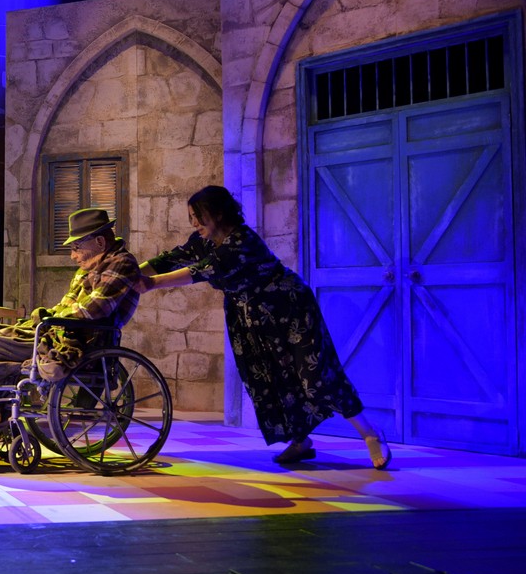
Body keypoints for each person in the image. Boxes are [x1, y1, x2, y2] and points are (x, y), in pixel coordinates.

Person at [138, 185, 391, 469]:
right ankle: (301, 441)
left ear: (218, 213)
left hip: (289, 310)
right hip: (251, 317)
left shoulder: (242, 241)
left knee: (316, 374)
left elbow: (203, 270)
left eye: (198, 215)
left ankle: (370, 433)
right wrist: (130, 272)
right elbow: (171, 258)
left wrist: (150, 283)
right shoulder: (203, 241)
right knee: (271, 379)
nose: (194, 223)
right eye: (192, 217)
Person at [0, 207, 141, 445]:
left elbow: (94, 310)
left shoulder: (122, 263)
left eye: (76, 247)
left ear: (99, 242)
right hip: (56, 332)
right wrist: (50, 315)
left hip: (75, 342)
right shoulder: (87, 270)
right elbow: (66, 306)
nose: (73, 256)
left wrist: (50, 316)